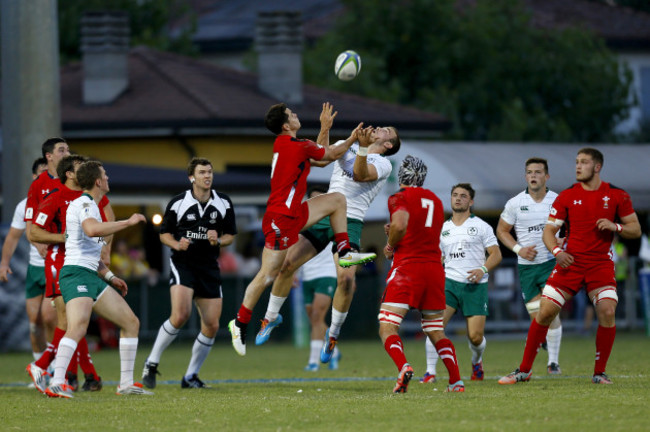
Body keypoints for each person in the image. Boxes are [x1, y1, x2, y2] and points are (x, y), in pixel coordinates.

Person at [228, 102, 376, 356]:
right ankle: (239, 323)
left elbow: (320, 159)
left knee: (337, 200)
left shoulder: (290, 145)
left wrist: (324, 128)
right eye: (292, 114)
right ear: (286, 125)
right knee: (267, 275)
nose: (297, 115)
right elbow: (328, 155)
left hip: (294, 212)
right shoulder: (296, 145)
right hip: (281, 219)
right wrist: (353, 138)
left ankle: (345, 251)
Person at [254, 124, 400, 363]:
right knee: (287, 264)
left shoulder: (383, 163)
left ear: (388, 145)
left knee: (346, 280)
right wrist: (325, 128)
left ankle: (332, 335)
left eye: (387, 131)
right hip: (325, 215)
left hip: (350, 220)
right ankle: (270, 317)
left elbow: (360, 174)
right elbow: (321, 156)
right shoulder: (352, 145)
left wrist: (361, 149)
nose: (380, 128)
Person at [499, 148, 641, 385]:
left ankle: (599, 373)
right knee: (544, 312)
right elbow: (549, 231)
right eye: (576, 162)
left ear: (597, 167)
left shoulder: (617, 195)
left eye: (583, 162)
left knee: (607, 311)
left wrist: (615, 227)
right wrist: (557, 252)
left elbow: (635, 229)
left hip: (599, 265)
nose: (577, 166)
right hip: (570, 262)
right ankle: (523, 370)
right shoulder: (566, 196)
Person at [44, 160, 150, 398]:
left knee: (131, 322)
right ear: (98, 181)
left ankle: (125, 384)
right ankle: (57, 382)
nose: (108, 179)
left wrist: (110, 276)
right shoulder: (84, 203)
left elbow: (91, 251)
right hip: (75, 274)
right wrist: (129, 221)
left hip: (92, 275)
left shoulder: (91, 205)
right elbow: (92, 230)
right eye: (105, 175)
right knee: (78, 327)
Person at [142, 157, 237, 389]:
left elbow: (231, 235)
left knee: (212, 325)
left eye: (210, 172)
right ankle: (151, 364)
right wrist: (176, 245)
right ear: (191, 177)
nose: (208, 176)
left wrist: (219, 241)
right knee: (180, 315)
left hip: (209, 266)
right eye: (203, 172)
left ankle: (190, 376)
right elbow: (164, 234)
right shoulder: (177, 203)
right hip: (183, 263)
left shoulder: (223, 202)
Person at [379, 155, 464, 393]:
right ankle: (456, 381)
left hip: (408, 268)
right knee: (436, 329)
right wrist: (396, 230)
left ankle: (403, 366)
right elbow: (420, 229)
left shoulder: (399, 197)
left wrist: (390, 245)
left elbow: (400, 224)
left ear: (402, 174)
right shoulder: (435, 200)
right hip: (434, 270)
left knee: (387, 326)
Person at [27, 155, 109, 393]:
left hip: (84, 264)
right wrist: (64, 237)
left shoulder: (88, 197)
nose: (84, 169)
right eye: (79, 167)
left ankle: (72, 373)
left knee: (75, 322)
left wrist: (105, 247)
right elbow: (34, 233)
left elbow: (106, 217)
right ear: (70, 174)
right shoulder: (55, 197)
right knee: (70, 322)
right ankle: (50, 368)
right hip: (61, 264)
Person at [422, 183, 502, 382]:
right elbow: (438, 258)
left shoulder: (481, 226)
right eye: (455, 195)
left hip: (476, 286)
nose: (458, 198)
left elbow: (496, 254)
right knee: (435, 326)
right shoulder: (443, 228)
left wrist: (482, 269)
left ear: (471, 201)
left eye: (463, 196)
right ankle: (430, 372)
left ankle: (476, 362)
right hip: (449, 284)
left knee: (475, 337)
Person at [496, 157, 563, 374]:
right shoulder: (515, 203)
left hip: (551, 263)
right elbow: (502, 231)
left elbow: (574, 227)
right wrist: (519, 249)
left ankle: (553, 363)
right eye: (529, 172)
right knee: (538, 318)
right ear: (526, 176)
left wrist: (564, 241)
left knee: (550, 311)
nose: (533, 176)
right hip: (527, 267)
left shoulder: (558, 200)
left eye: (538, 172)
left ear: (547, 176)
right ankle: (541, 339)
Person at [0, 158, 57, 361]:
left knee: (50, 318)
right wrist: (4, 263)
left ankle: (55, 367)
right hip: (34, 269)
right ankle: (40, 367)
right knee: (34, 322)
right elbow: (13, 236)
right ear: (34, 177)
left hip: (55, 266)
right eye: (42, 174)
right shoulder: (25, 205)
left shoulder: (59, 200)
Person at [297, 187, 341, 371]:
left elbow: (343, 249)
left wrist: (348, 277)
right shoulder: (304, 222)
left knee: (317, 316)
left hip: (327, 273)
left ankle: (313, 361)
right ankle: (334, 351)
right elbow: (295, 249)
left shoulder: (333, 221)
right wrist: (292, 273)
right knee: (314, 319)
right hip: (308, 275)